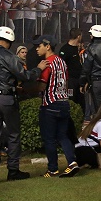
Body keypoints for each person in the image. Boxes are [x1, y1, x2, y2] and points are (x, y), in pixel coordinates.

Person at [0, 26, 47, 185]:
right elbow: (25, 76)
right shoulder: (9, 56)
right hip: (6, 98)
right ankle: (13, 170)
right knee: (13, 135)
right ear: (9, 41)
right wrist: (39, 69)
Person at [34, 35, 79, 178]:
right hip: (64, 102)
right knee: (63, 135)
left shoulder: (46, 63)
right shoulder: (62, 62)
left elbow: (42, 86)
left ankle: (52, 169)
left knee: (49, 139)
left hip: (50, 104)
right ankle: (72, 162)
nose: (36, 48)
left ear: (48, 46)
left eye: (39, 45)